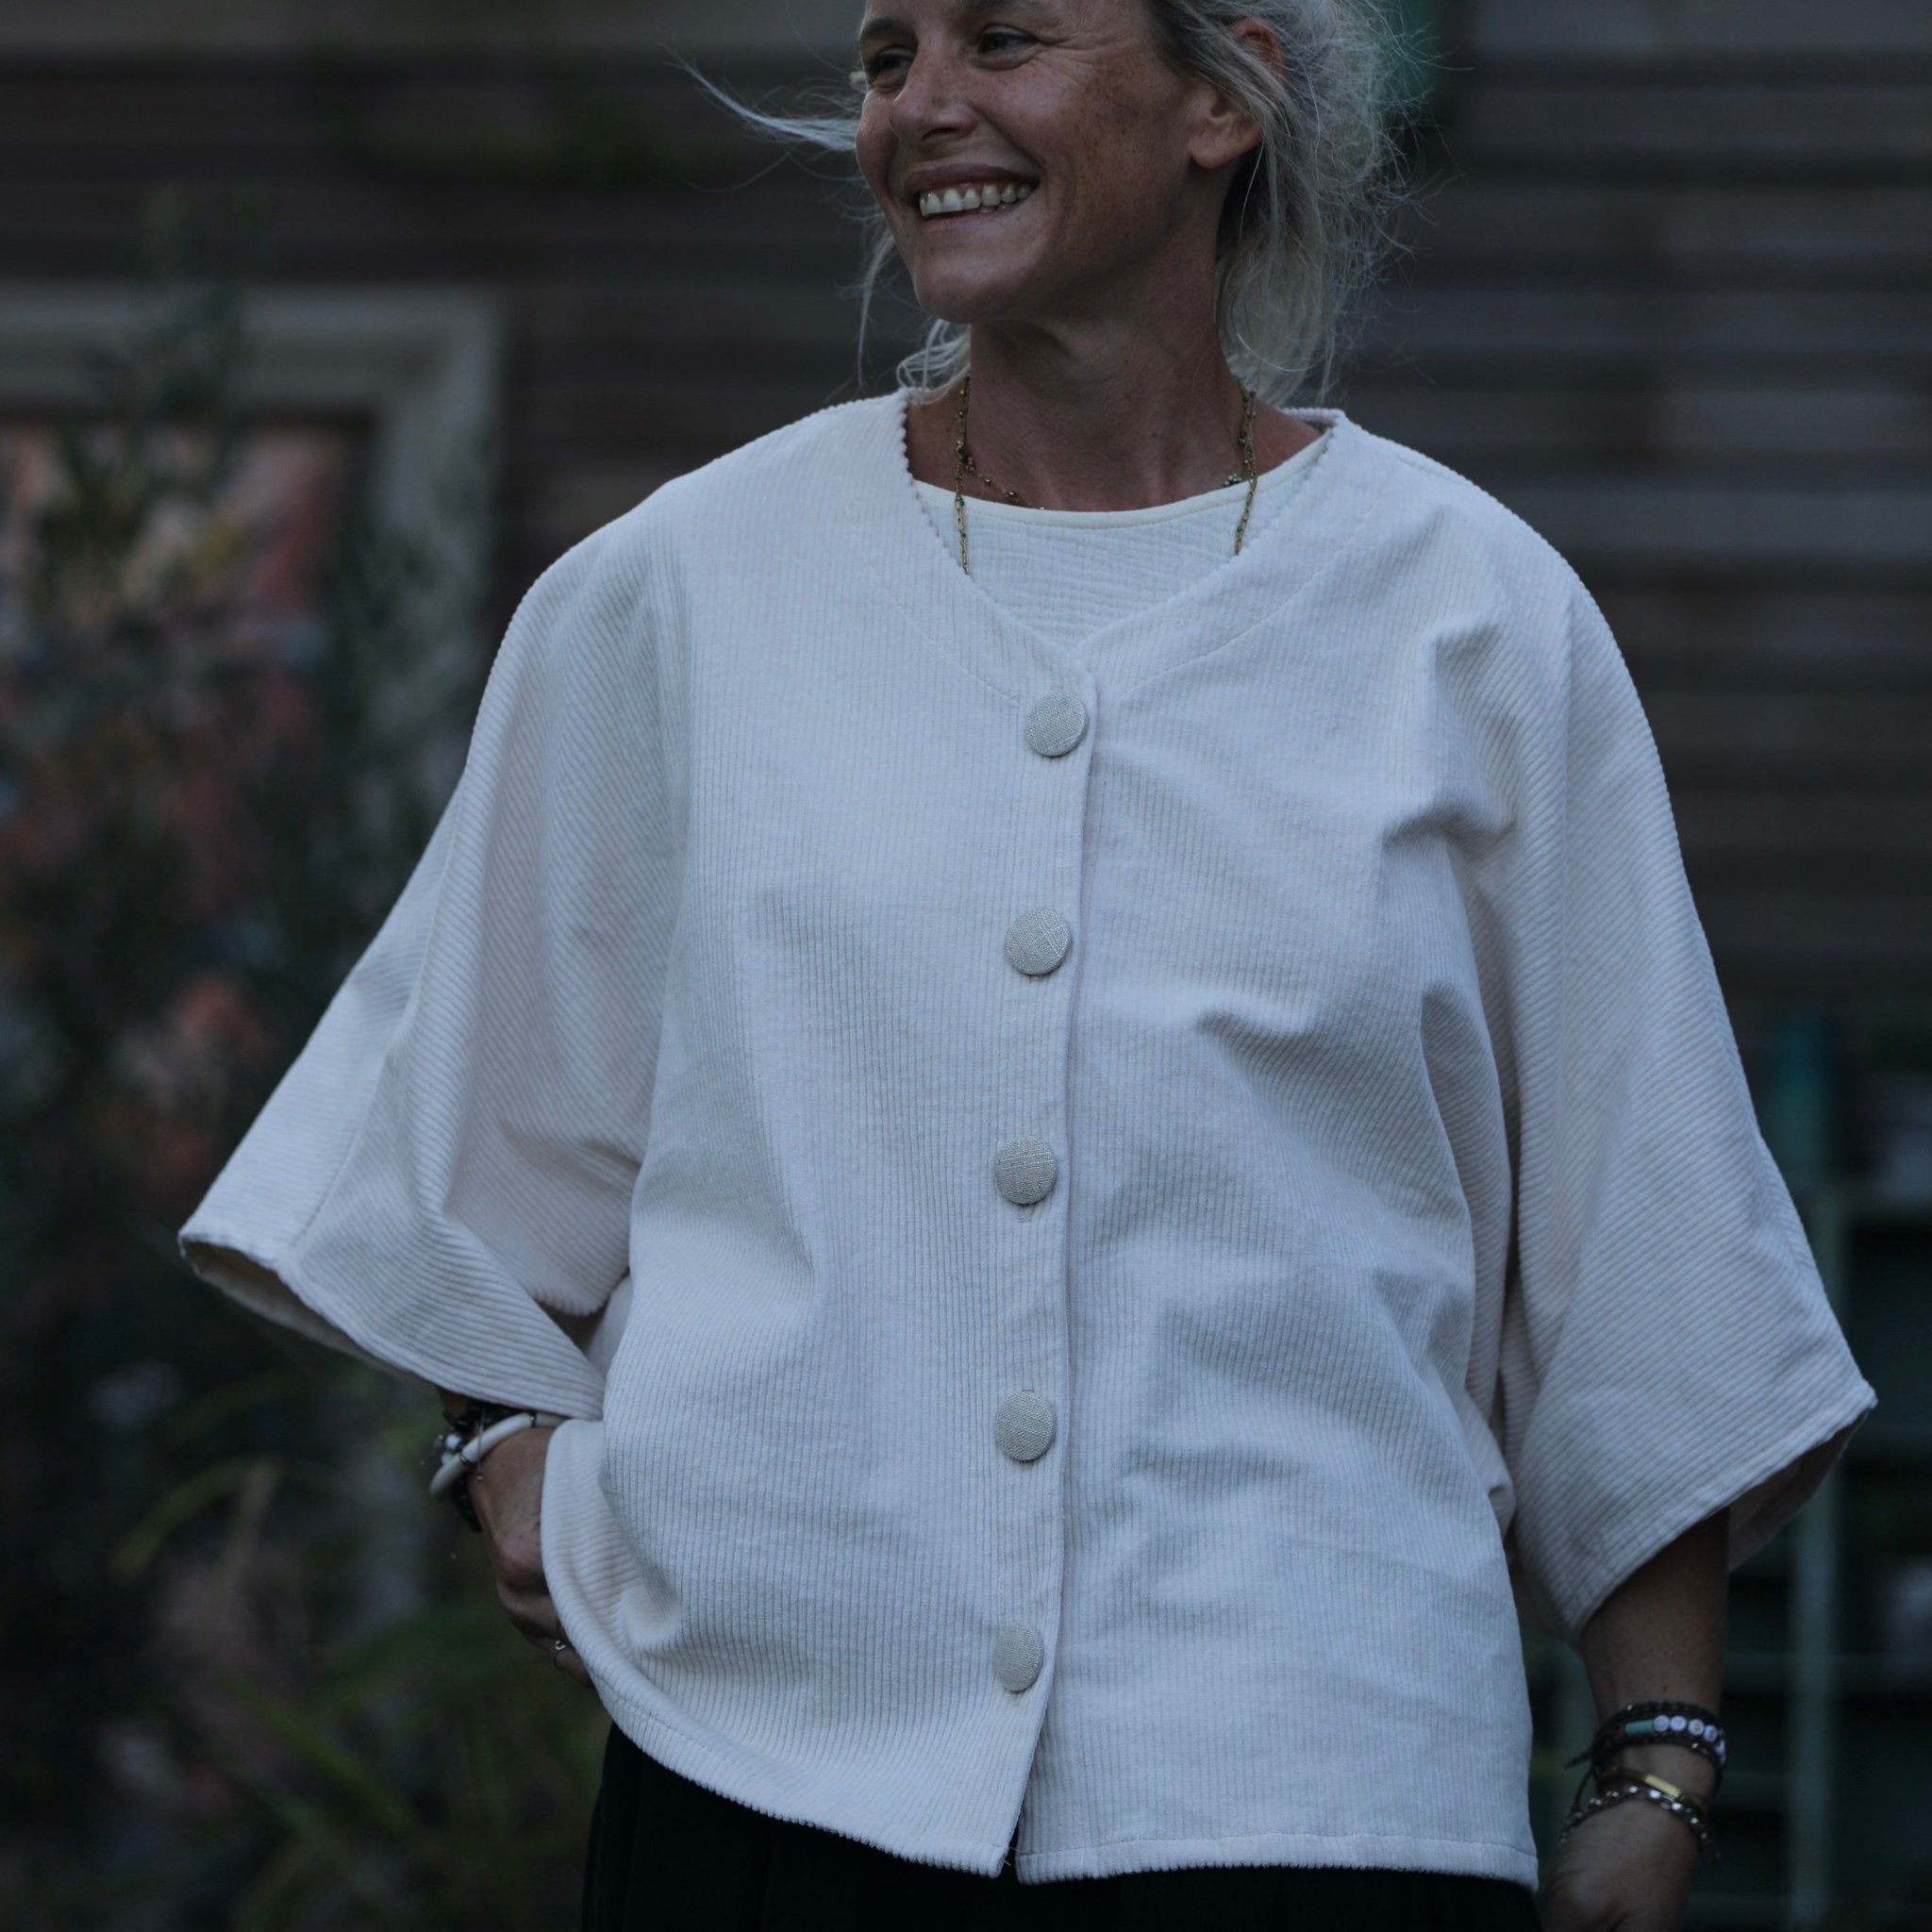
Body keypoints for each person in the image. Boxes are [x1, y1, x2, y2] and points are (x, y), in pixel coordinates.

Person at [180, 2, 1875, 1927]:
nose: (922, 109)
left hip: (1322, 1794)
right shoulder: (688, 588)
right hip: (769, 1787)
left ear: (1224, 96)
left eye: (1003, 39)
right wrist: (504, 1452)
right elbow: (460, 1143)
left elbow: (1630, 1237)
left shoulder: (1470, 618)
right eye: (885, 57)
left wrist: (1658, 1755)